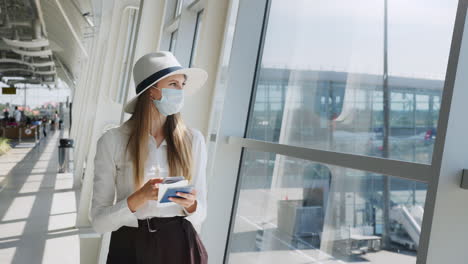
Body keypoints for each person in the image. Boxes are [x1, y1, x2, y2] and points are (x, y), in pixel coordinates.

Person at [91, 51, 209, 264]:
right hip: (129, 245)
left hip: (180, 245)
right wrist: (137, 199)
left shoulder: (194, 140)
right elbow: (99, 223)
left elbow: (202, 213)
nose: (180, 92)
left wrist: (192, 205)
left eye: (182, 85)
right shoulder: (113, 140)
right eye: (173, 84)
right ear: (151, 91)